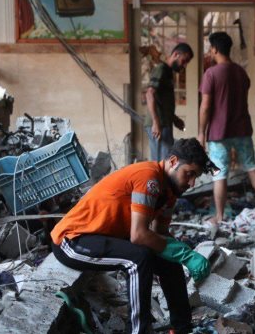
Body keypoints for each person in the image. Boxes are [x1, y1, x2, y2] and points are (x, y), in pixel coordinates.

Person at [51, 138, 214, 334]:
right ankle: (138, 330)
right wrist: (185, 254)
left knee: (169, 261)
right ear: (172, 161)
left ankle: (182, 328)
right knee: (138, 258)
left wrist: (182, 254)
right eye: (189, 174)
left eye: (195, 176)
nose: (192, 182)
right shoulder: (149, 177)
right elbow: (139, 235)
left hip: (106, 237)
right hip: (72, 240)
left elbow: (160, 235)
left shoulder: (170, 191)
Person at [198, 32, 255, 224]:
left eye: (210, 47)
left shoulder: (211, 74)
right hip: (242, 129)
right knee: (251, 166)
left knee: (219, 174)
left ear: (214, 49)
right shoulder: (241, 72)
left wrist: (201, 133)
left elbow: (205, 107)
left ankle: (220, 216)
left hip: (218, 133)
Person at [145, 43, 193, 161]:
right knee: (162, 163)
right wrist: (156, 122)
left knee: (166, 161)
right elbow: (150, 93)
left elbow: (162, 102)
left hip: (165, 123)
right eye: (184, 60)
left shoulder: (168, 72)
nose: (185, 65)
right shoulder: (161, 69)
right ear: (176, 54)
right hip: (159, 124)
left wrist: (174, 119)